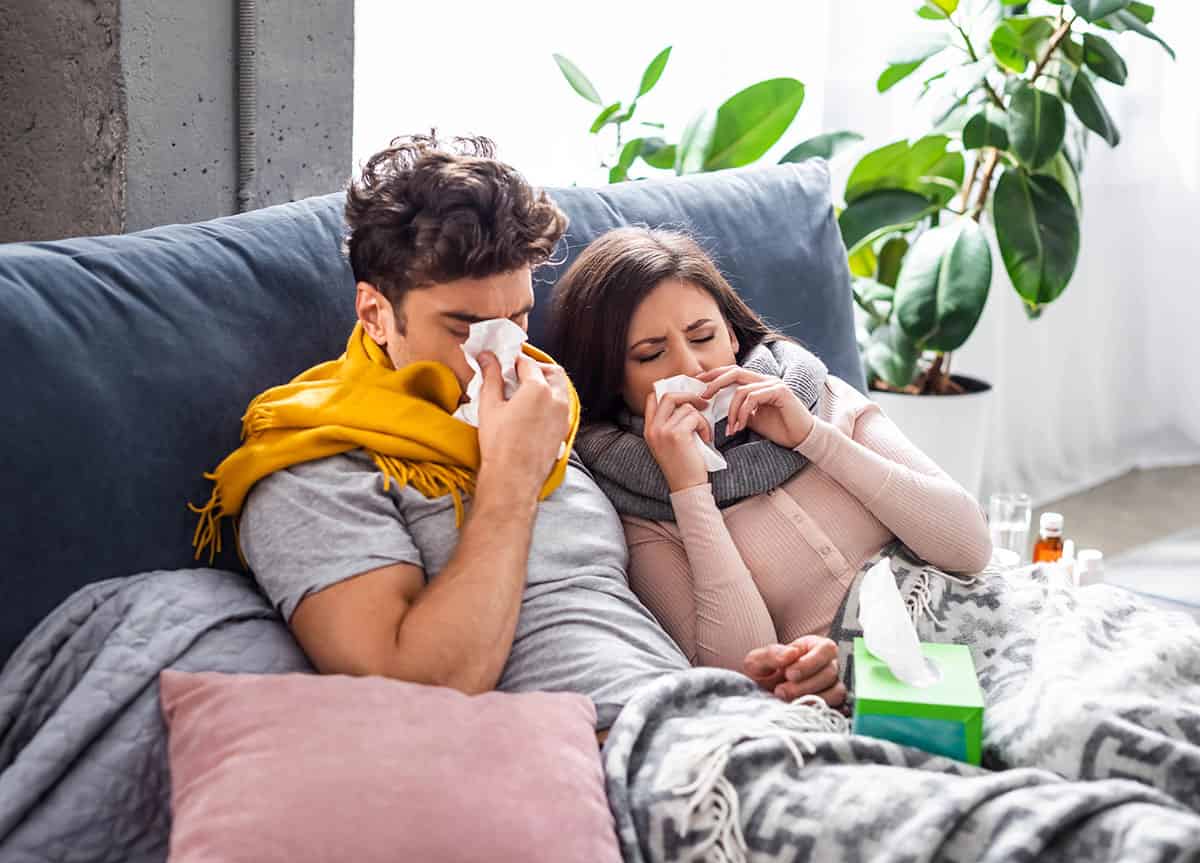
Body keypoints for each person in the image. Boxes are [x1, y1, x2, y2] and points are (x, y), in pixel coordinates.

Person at [189, 134, 848, 735]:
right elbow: (415, 692)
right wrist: (509, 476)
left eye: (519, 319)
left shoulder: (554, 409)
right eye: (464, 328)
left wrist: (769, 679)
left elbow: (636, 621)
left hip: (707, 715)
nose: (503, 355)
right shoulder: (314, 465)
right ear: (376, 314)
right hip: (594, 754)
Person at [547, 226, 993, 674]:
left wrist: (812, 437)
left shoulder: (817, 394)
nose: (691, 366)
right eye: (650, 354)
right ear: (612, 377)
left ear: (732, 336)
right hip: (861, 685)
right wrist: (688, 490)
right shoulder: (633, 502)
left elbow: (971, 548)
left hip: (979, 621)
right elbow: (742, 670)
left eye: (702, 337)